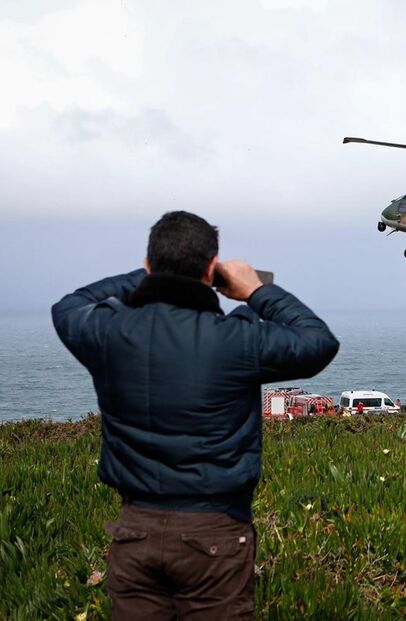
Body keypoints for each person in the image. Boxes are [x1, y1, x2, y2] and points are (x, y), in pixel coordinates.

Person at [51, 211, 339, 620]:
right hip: (216, 534)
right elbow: (318, 342)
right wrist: (256, 291)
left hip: (136, 532)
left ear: (149, 265)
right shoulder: (237, 339)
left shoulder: (111, 334)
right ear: (211, 270)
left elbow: (69, 306)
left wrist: (155, 274)